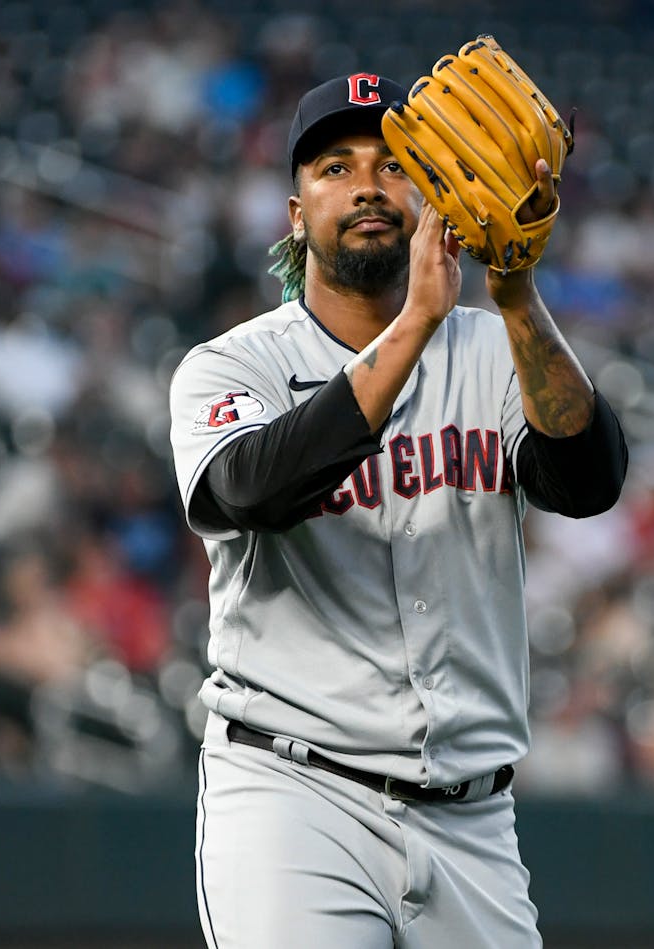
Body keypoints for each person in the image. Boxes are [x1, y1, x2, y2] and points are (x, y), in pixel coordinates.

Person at [168, 72, 628, 948]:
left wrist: (519, 294)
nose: (369, 185)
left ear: (433, 194)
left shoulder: (500, 347)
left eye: (393, 165)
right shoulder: (233, 368)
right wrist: (415, 321)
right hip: (294, 799)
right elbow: (252, 489)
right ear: (295, 212)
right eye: (336, 168)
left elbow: (588, 479)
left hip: (472, 822)